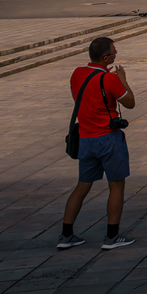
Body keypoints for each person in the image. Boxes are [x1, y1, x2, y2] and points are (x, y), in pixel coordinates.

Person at [59, 36, 137, 251]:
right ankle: (112, 236)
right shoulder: (109, 79)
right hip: (108, 138)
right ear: (106, 57)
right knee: (116, 186)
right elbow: (130, 103)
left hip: (86, 139)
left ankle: (66, 234)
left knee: (82, 186)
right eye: (114, 53)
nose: (116, 55)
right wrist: (123, 80)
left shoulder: (77, 74)